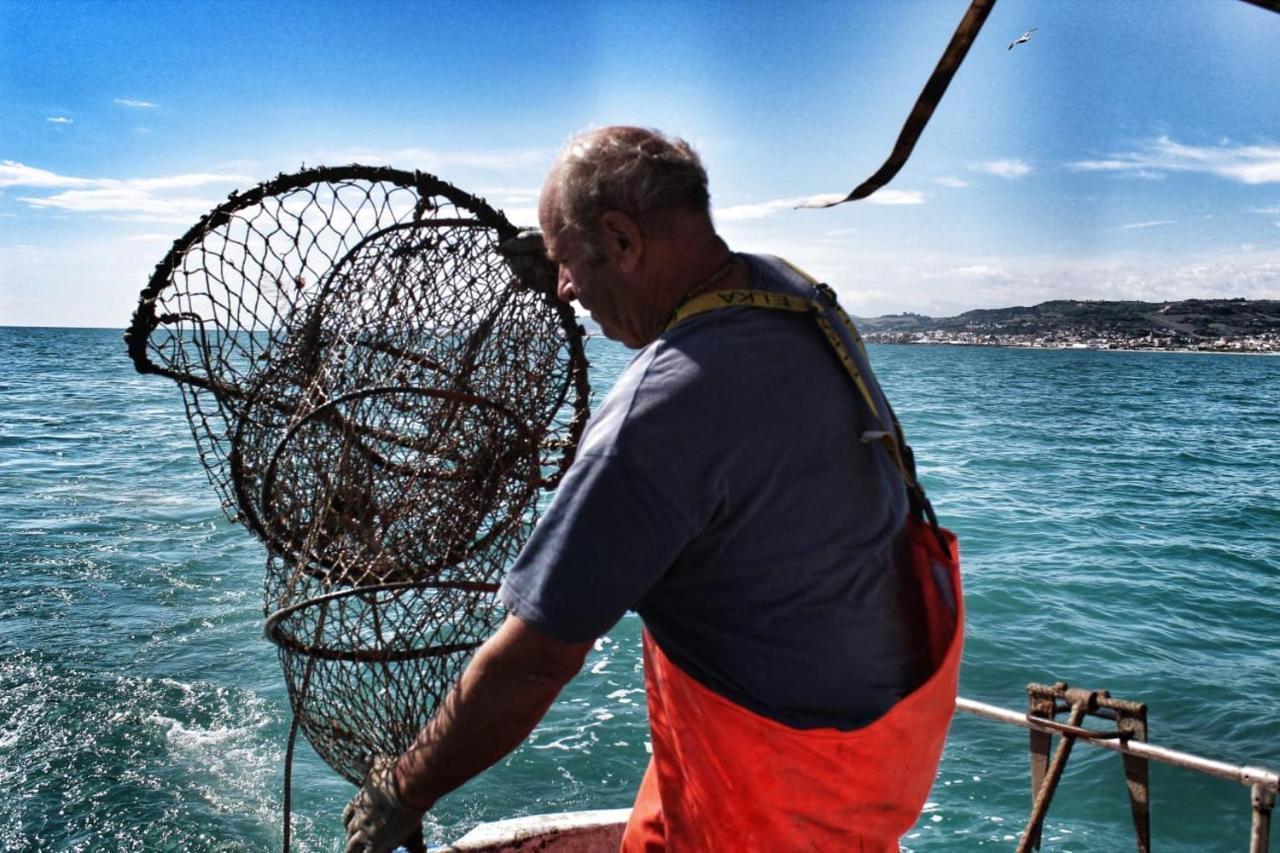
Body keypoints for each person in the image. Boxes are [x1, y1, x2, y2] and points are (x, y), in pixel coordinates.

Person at [343, 126, 962, 853]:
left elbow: (534, 660)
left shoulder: (655, 415)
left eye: (569, 263)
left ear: (623, 240)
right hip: (874, 759)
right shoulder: (795, 295)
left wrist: (403, 786)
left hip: (772, 802)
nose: (566, 290)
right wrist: (572, 254)